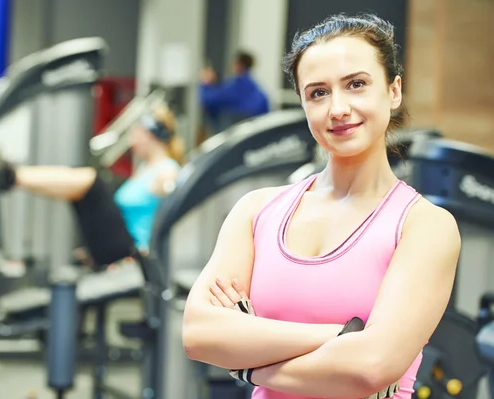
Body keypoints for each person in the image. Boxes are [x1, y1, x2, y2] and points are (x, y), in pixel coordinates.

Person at [182, 13, 460, 399]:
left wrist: (246, 363)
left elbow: (371, 367)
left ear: (394, 91)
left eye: (357, 85)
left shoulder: (425, 225)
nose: (338, 109)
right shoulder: (256, 210)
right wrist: (339, 336)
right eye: (318, 93)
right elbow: (198, 333)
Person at [0, 104, 183, 268]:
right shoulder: (144, 169)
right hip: (121, 246)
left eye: (136, 133)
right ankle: (12, 178)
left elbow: (173, 212)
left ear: (151, 136)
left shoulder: (167, 170)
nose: (132, 139)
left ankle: (10, 176)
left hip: (134, 253)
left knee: (91, 182)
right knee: (82, 188)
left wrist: (149, 253)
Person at [199, 51, 270, 135]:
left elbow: (207, 99)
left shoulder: (233, 88)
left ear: (239, 65)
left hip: (231, 138)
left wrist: (205, 83)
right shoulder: (260, 93)